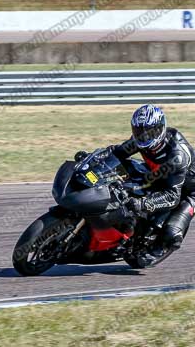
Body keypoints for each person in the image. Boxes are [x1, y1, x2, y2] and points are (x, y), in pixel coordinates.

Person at [79, 104, 195, 264]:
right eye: (138, 131)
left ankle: (160, 246)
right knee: (123, 178)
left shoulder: (177, 155)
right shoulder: (140, 140)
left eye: (146, 132)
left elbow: (172, 196)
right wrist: (94, 158)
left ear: (159, 130)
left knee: (171, 232)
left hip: (186, 191)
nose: (142, 136)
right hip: (156, 175)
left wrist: (143, 203)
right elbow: (117, 152)